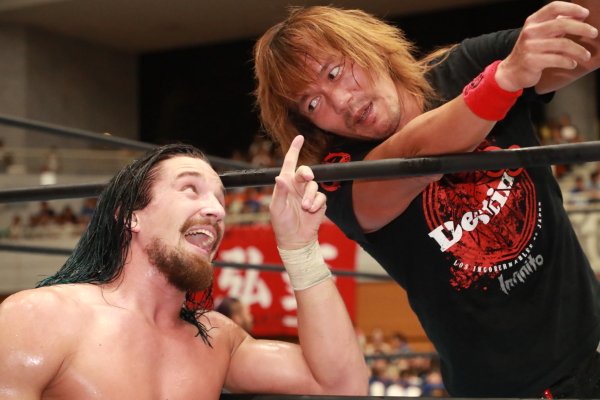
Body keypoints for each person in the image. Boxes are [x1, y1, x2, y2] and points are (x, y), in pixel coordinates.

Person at [253, 1, 600, 397]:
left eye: (334, 72)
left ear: (368, 46)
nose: (341, 102)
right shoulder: (339, 174)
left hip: (591, 340)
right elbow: (415, 152)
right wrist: (504, 80)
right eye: (313, 104)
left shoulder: (466, 65)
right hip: (509, 390)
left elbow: (588, 43)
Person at [0, 137, 369, 398]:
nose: (217, 210)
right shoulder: (39, 317)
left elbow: (341, 384)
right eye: (191, 189)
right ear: (130, 217)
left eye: (220, 198)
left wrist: (300, 247)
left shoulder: (216, 340)